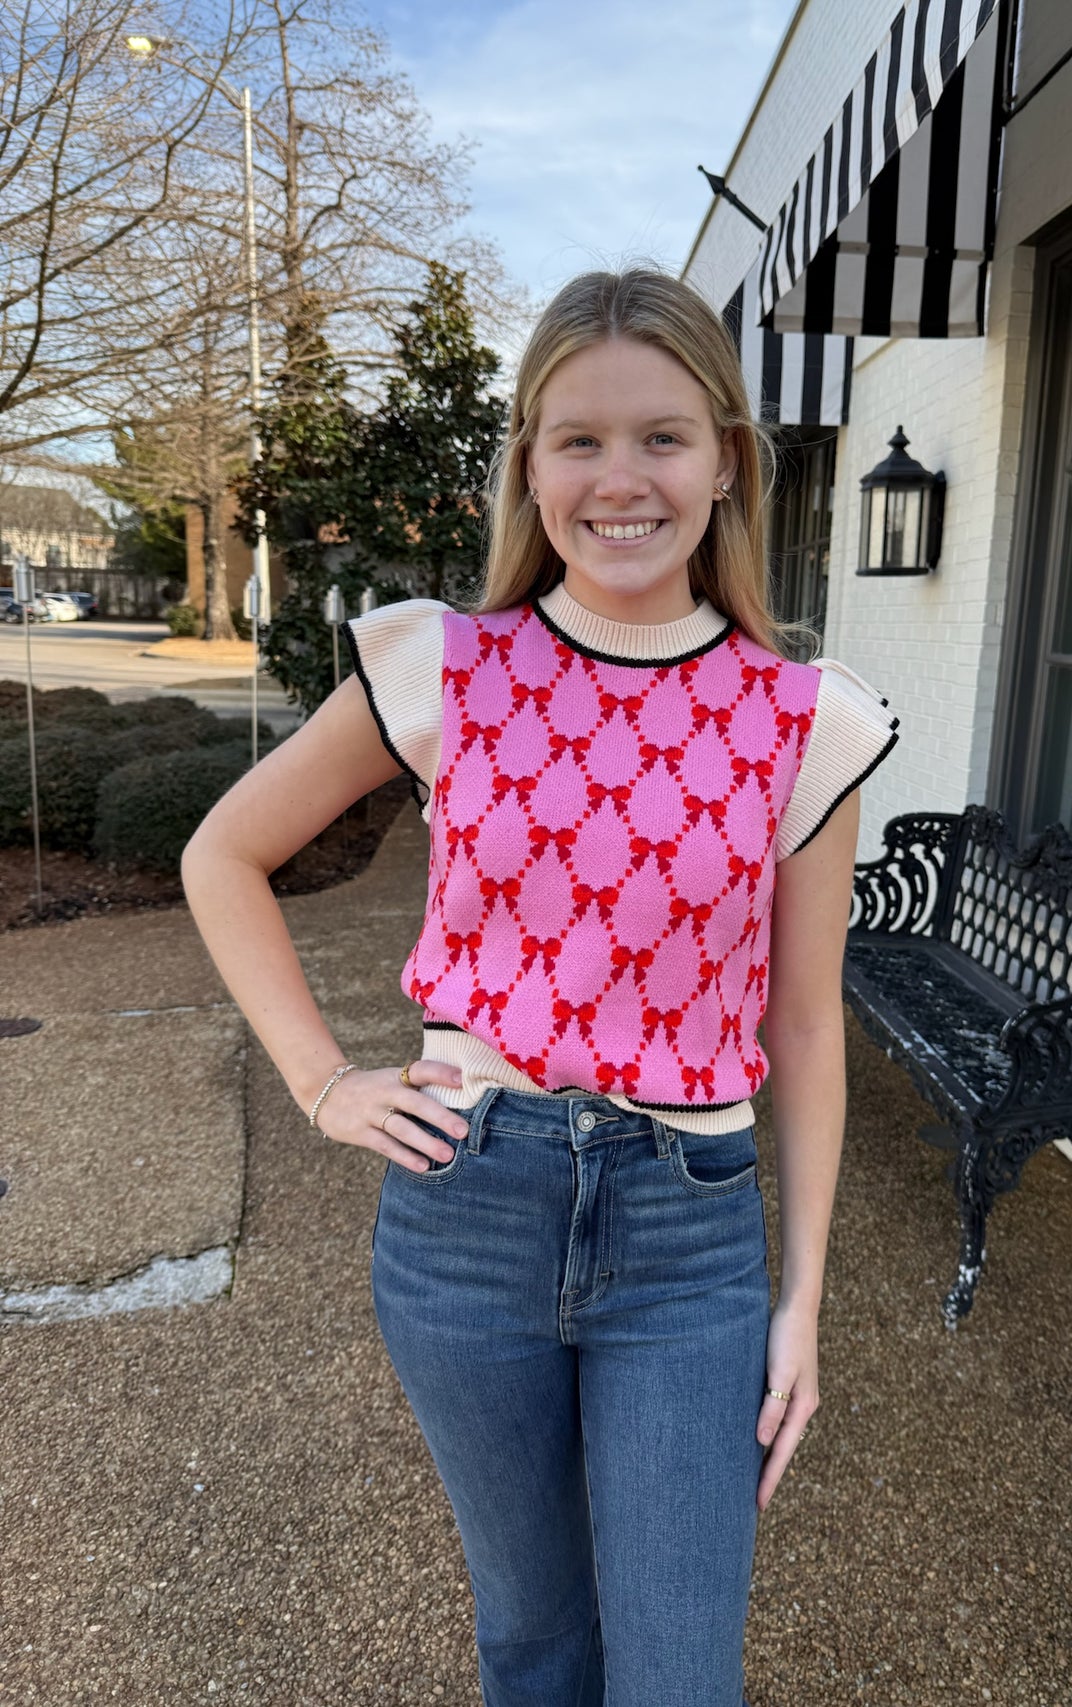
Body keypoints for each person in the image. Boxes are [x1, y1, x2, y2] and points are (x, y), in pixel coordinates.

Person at [181, 267, 898, 1707]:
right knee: (531, 1645)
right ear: (529, 464)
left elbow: (806, 1026)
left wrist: (804, 1299)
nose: (620, 478)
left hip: (689, 1235)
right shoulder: (443, 668)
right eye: (579, 439)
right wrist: (326, 1085)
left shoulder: (805, 723)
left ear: (728, 462)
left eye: (663, 438)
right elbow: (225, 854)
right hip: (467, 1211)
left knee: (680, 1670)